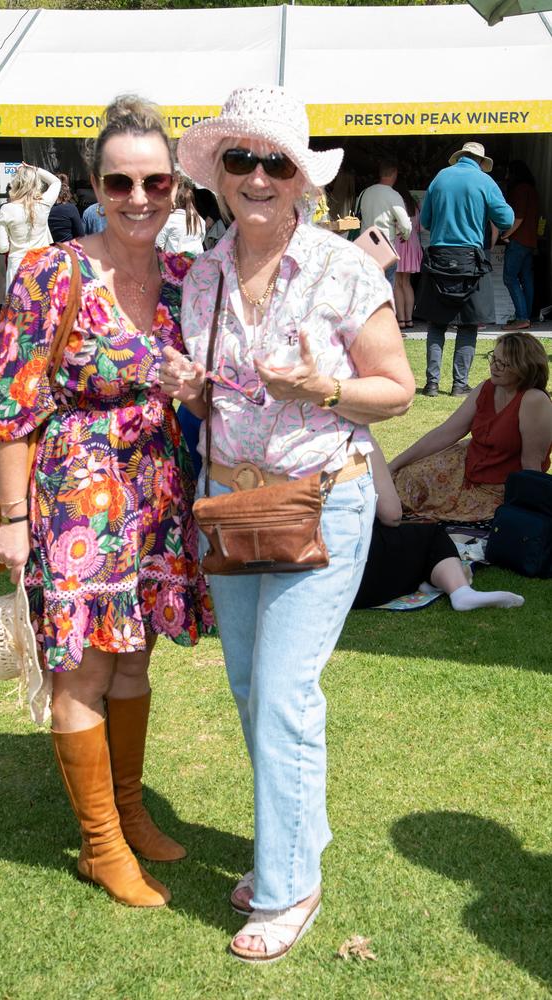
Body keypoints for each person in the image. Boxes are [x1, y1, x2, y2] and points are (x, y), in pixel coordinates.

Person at [162, 85, 415, 963]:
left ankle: (287, 889)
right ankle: (298, 838)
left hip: (322, 502)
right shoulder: (204, 273)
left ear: (303, 178)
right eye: (243, 160)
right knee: (250, 690)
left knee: (281, 693)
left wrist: (325, 389)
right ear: (221, 175)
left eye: (276, 162)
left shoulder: (343, 268)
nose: (259, 177)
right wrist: (189, 389)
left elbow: (398, 389)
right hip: (234, 507)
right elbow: (212, 394)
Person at [0, 95, 215, 910]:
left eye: (156, 181)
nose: (139, 198)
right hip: (77, 497)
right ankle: (100, 844)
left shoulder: (188, 278)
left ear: (178, 186)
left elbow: (213, 401)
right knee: (85, 667)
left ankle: (133, 811)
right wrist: (13, 521)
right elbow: (12, 405)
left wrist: (198, 393)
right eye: (121, 181)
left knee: (137, 656)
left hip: (155, 491)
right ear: (93, 182)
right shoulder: (51, 273)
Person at [390, 332, 552, 523]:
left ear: (524, 368)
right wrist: (393, 465)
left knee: (451, 517)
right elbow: (446, 432)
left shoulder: (534, 400)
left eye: (503, 363)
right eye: (494, 358)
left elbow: (531, 467)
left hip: (498, 485)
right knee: (403, 479)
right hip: (464, 466)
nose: (493, 366)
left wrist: (529, 515)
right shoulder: (487, 387)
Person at [353, 439, 524, 611]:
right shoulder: (358, 440)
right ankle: (460, 591)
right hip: (353, 582)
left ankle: (427, 578)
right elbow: (391, 515)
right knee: (429, 534)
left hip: (328, 583)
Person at [416, 141, 514, 398]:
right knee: (469, 324)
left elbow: (425, 221)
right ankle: (460, 385)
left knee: (436, 324)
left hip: (438, 257)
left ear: (460, 157)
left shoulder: (440, 178)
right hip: (470, 258)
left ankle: (431, 384)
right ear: (481, 162)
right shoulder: (484, 181)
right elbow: (506, 219)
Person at [0, 163, 61, 290]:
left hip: (17, 265)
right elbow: (55, 182)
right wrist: (35, 169)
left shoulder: (6, 209)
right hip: (42, 263)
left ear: (15, 184)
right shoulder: (44, 204)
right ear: (36, 183)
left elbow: (2, 248)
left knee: (18, 306)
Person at [357, 159, 411, 287]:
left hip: (365, 249)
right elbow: (406, 225)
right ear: (395, 174)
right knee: (385, 292)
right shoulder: (394, 195)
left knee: (367, 290)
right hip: (385, 250)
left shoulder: (364, 193)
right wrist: (405, 235)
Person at [500, 160, 539, 332]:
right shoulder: (532, 189)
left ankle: (522, 317)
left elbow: (519, 217)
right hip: (531, 241)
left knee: (509, 277)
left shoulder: (520, 189)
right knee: (526, 278)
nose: (507, 176)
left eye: (509, 172)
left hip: (519, 241)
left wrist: (506, 234)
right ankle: (526, 316)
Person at [393, 185, 422, 332]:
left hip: (399, 241)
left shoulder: (396, 205)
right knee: (407, 282)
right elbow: (419, 228)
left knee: (397, 282)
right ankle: (409, 319)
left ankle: (401, 320)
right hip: (413, 243)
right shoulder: (415, 206)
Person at [156, 175, 205, 254]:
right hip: (196, 262)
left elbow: (158, 245)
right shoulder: (200, 220)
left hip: (174, 263)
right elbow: (201, 239)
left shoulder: (168, 220)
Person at [48, 173, 84, 244]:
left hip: (49, 250)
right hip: (67, 250)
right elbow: (80, 234)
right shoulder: (70, 208)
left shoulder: (45, 209)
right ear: (67, 189)